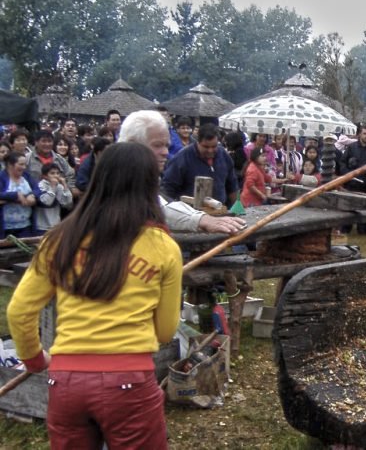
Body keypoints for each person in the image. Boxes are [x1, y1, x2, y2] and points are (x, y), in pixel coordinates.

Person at [7, 143, 182, 449]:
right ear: (150, 186)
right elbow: (166, 330)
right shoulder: (163, 247)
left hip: (65, 382)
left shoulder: (58, 239)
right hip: (130, 383)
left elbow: (19, 311)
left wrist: (34, 360)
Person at [118, 110, 246, 234]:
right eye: (157, 145)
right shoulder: (119, 176)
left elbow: (160, 202)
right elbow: (160, 203)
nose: (166, 152)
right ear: (132, 144)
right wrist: (199, 219)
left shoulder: (223, 155)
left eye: (166, 146)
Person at [161, 123, 239, 207]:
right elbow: (167, 188)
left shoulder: (223, 155)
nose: (210, 150)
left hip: (219, 210)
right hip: (191, 213)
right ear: (198, 142)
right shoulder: (182, 158)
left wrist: (237, 207)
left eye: (214, 146)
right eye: (206, 147)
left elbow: (232, 185)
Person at [0, 152, 41, 238]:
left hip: (25, 225)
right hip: (5, 228)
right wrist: (15, 195)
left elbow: (37, 189)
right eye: (21, 164)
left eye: (25, 165)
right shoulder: (2, 177)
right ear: (10, 165)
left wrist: (32, 195)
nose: (24, 167)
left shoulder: (26, 176)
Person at [35, 163, 73, 233]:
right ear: (45, 176)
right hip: (42, 225)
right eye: (52, 173)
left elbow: (67, 202)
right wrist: (52, 187)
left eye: (57, 173)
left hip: (56, 224)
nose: (56, 176)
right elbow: (47, 202)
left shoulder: (59, 186)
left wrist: (65, 186)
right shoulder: (40, 186)